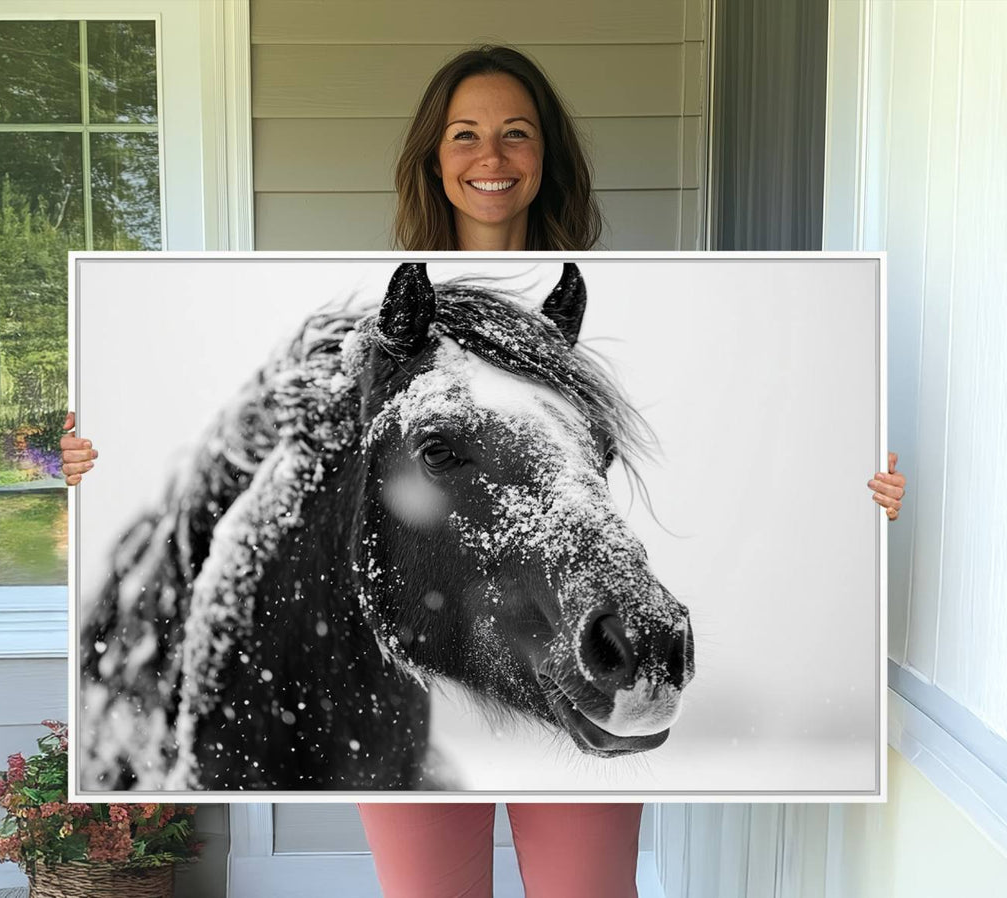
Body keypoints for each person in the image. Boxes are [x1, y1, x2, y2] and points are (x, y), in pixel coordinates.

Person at [61, 45, 906, 898]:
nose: (491, 158)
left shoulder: (632, 277)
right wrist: (90, 465)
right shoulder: (384, 314)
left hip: (538, 660)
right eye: (465, 135)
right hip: (405, 686)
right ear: (435, 158)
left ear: (547, 157)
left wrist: (863, 490)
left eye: (516, 134)